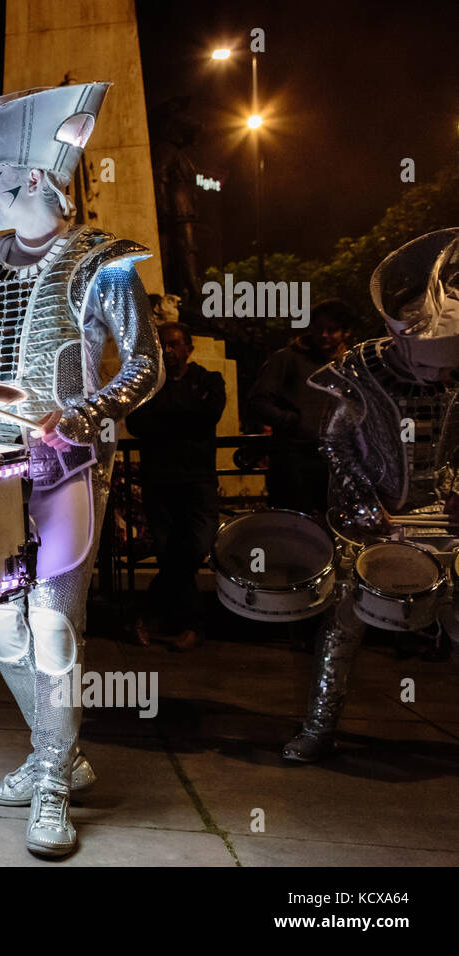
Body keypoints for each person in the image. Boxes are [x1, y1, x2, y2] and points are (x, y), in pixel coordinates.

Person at [0, 83, 163, 856]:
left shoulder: (107, 263)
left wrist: (82, 414)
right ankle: (61, 752)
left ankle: (52, 779)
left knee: (53, 623)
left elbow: (146, 371)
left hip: (69, 466)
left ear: (32, 178)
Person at [283, 229, 458, 763]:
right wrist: (365, 505)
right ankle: (318, 730)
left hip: (443, 517)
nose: (440, 377)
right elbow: (335, 444)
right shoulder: (360, 371)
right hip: (368, 518)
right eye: (431, 365)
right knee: (343, 625)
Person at [125, 323, 226, 651]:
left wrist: (166, 419)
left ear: (188, 348)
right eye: (162, 346)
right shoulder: (149, 386)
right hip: (161, 481)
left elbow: (208, 416)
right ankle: (191, 626)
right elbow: (137, 423)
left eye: (173, 345)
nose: (167, 351)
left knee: (193, 549)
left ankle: (146, 615)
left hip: (198, 482)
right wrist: (184, 415)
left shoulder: (209, 381)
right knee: (170, 554)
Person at [248, 300, 355, 515]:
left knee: (337, 524)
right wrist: (293, 421)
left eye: (332, 330)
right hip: (293, 459)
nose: (324, 335)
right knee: (294, 525)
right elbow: (258, 401)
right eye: (319, 328)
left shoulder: (350, 365)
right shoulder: (287, 359)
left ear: (345, 333)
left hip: (337, 461)